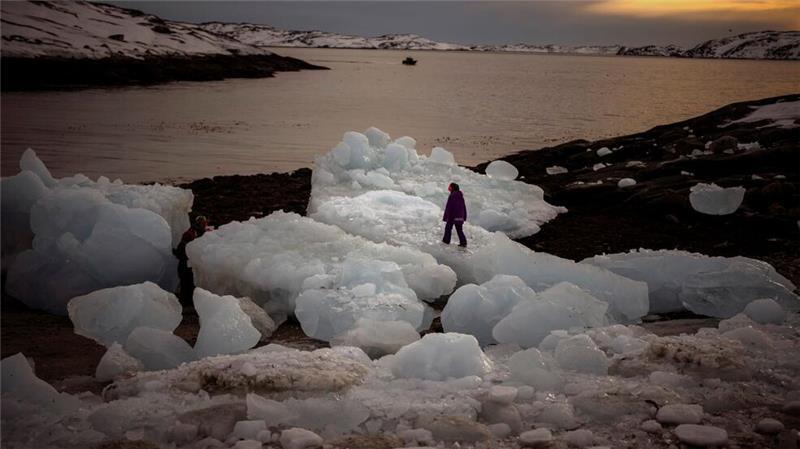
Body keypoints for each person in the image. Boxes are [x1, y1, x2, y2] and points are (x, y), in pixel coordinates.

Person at [175, 215, 212, 303]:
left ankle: (188, 302)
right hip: (186, 264)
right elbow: (182, 249)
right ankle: (186, 302)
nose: (202, 224)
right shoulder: (190, 234)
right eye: (201, 222)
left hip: (190, 264)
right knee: (187, 283)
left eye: (203, 223)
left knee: (188, 284)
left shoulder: (202, 233)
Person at [442, 182, 467, 247]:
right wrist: (463, 216)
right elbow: (463, 207)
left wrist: (449, 216)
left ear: (452, 188)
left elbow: (451, 207)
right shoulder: (460, 196)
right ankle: (463, 243)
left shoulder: (453, 195)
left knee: (448, 228)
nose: (448, 188)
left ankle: (446, 241)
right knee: (459, 230)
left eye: (450, 186)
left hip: (453, 216)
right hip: (459, 216)